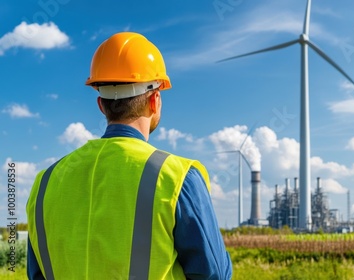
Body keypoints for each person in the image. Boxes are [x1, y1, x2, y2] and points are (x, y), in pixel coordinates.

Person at [26, 32, 232, 280]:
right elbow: (215, 275)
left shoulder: (44, 183)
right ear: (155, 100)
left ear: (101, 104)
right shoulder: (178, 178)